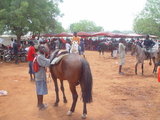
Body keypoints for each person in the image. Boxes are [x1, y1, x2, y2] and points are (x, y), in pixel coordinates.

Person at [35, 45, 50, 110]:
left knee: (39, 90)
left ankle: (39, 103)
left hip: (39, 75)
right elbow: (47, 63)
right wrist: (53, 58)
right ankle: (41, 105)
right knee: (40, 91)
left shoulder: (38, 55)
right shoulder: (40, 57)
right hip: (40, 76)